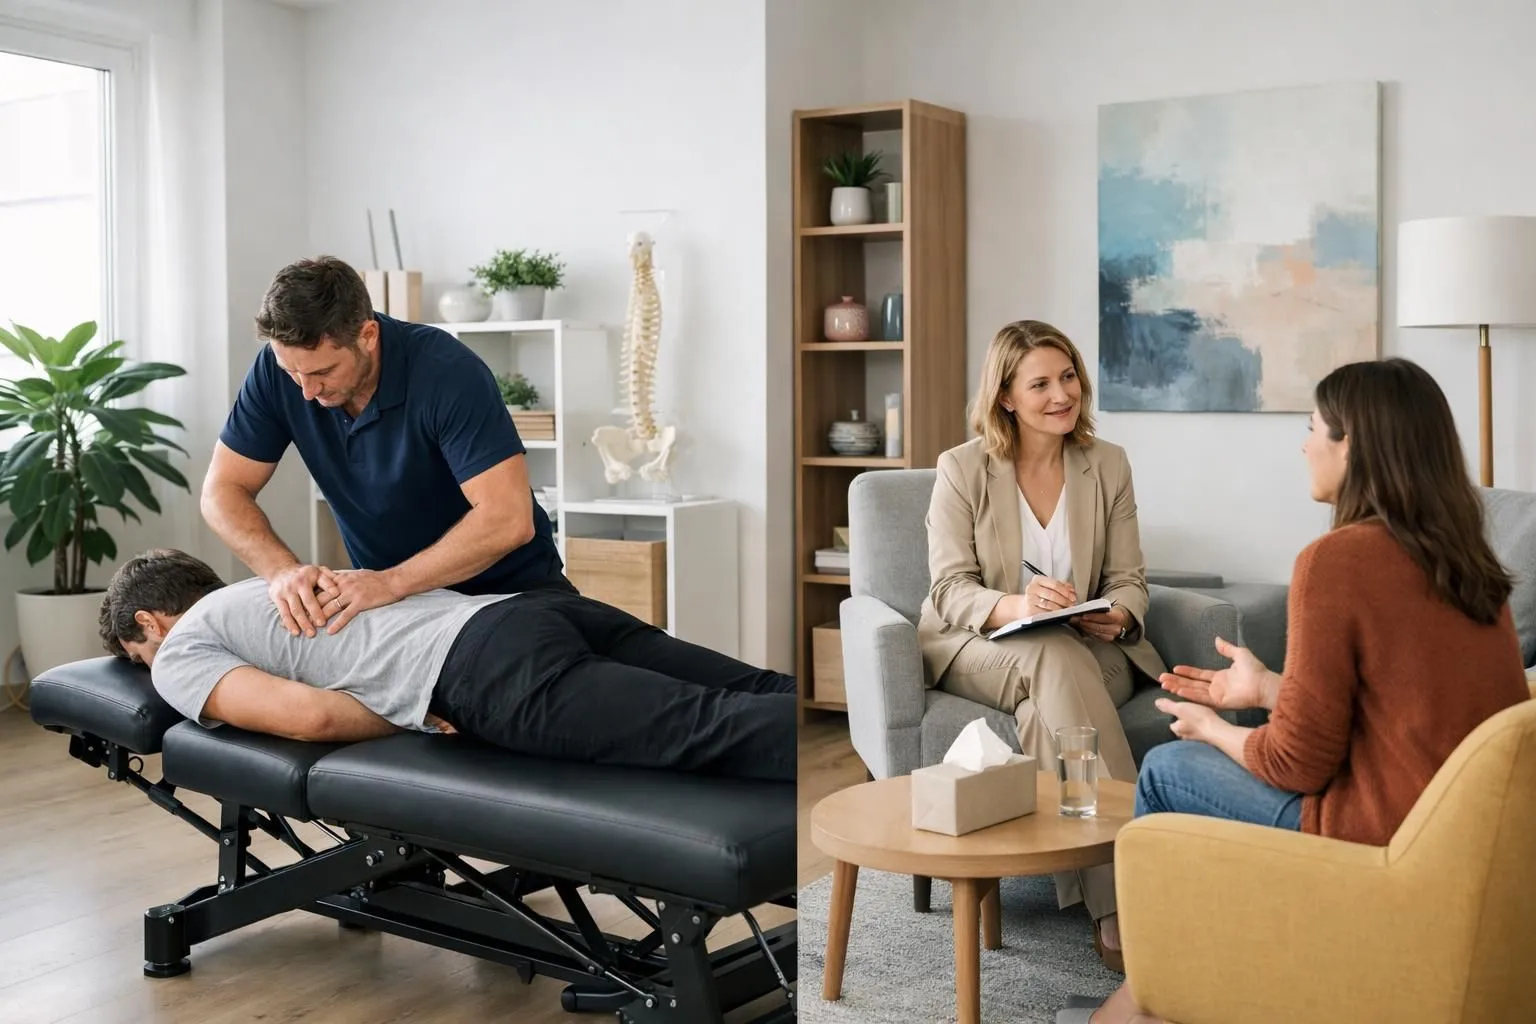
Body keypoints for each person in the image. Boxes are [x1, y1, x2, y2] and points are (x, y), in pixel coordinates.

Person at [1064, 357, 1530, 1024]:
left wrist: (1212, 729)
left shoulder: (1335, 560)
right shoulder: (1468, 562)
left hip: (1380, 836)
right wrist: (1273, 685)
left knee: (1167, 770)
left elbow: (1296, 765)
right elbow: (1404, 709)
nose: (1304, 444)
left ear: (1353, 448)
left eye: (1314, 428)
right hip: (1456, 833)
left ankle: (1160, 995)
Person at [97, 548, 796, 782]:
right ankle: (892, 720)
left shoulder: (179, 650)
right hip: (530, 609)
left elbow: (310, 718)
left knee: (709, 729)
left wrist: (418, 718)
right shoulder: (265, 589)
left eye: (139, 654)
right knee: (759, 690)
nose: (148, 669)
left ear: (149, 624)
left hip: (481, 669)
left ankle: (906, 774)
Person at [918, 319, 1166, 968]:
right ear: (1005, 396)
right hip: (979, 645)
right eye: (1041, 383)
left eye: (1069, 376)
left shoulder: (1106, 464)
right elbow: (948, 589)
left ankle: (1107, 896)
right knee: (1049, 658)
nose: (1063, 393)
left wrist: (1120, 616)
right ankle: (1130, 895)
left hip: (1082, 651)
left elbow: (1130, 579)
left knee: (1043, 714)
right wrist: (1016, 605)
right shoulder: (962, 469)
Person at [203, 255, 564, 640]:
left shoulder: (447, 372)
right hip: (400, 612)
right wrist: (282, 571)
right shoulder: (278, 373)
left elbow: (508, 518)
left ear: (368, 335)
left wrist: (390, 583)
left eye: (323, 372)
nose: (306, 391)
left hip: (510, 597)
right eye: (292, 373)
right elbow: (221, 491)